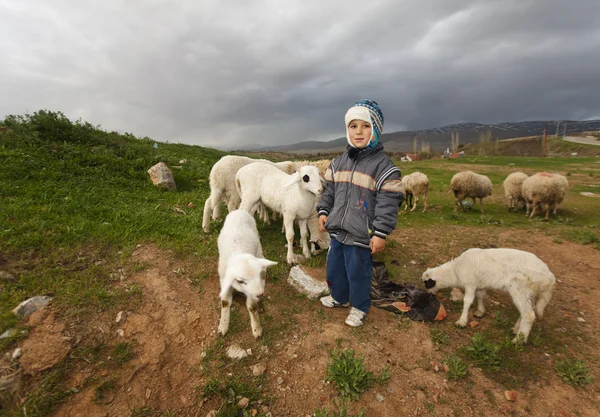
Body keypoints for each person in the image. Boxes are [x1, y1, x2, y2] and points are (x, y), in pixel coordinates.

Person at [317, 99, 404, 327]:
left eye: (365, 126)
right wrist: (324, 211)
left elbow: (388, 203)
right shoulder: (338, 163)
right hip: (338, 230)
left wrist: (380, 233)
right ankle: (339, 297)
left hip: (362, 234)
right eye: (353, 126)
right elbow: (330, 192)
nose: (358, 132)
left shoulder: (385, 168)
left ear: (375, 129)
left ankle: (359, 306)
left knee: (358, 272)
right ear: (347, 130)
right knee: (335, 268)